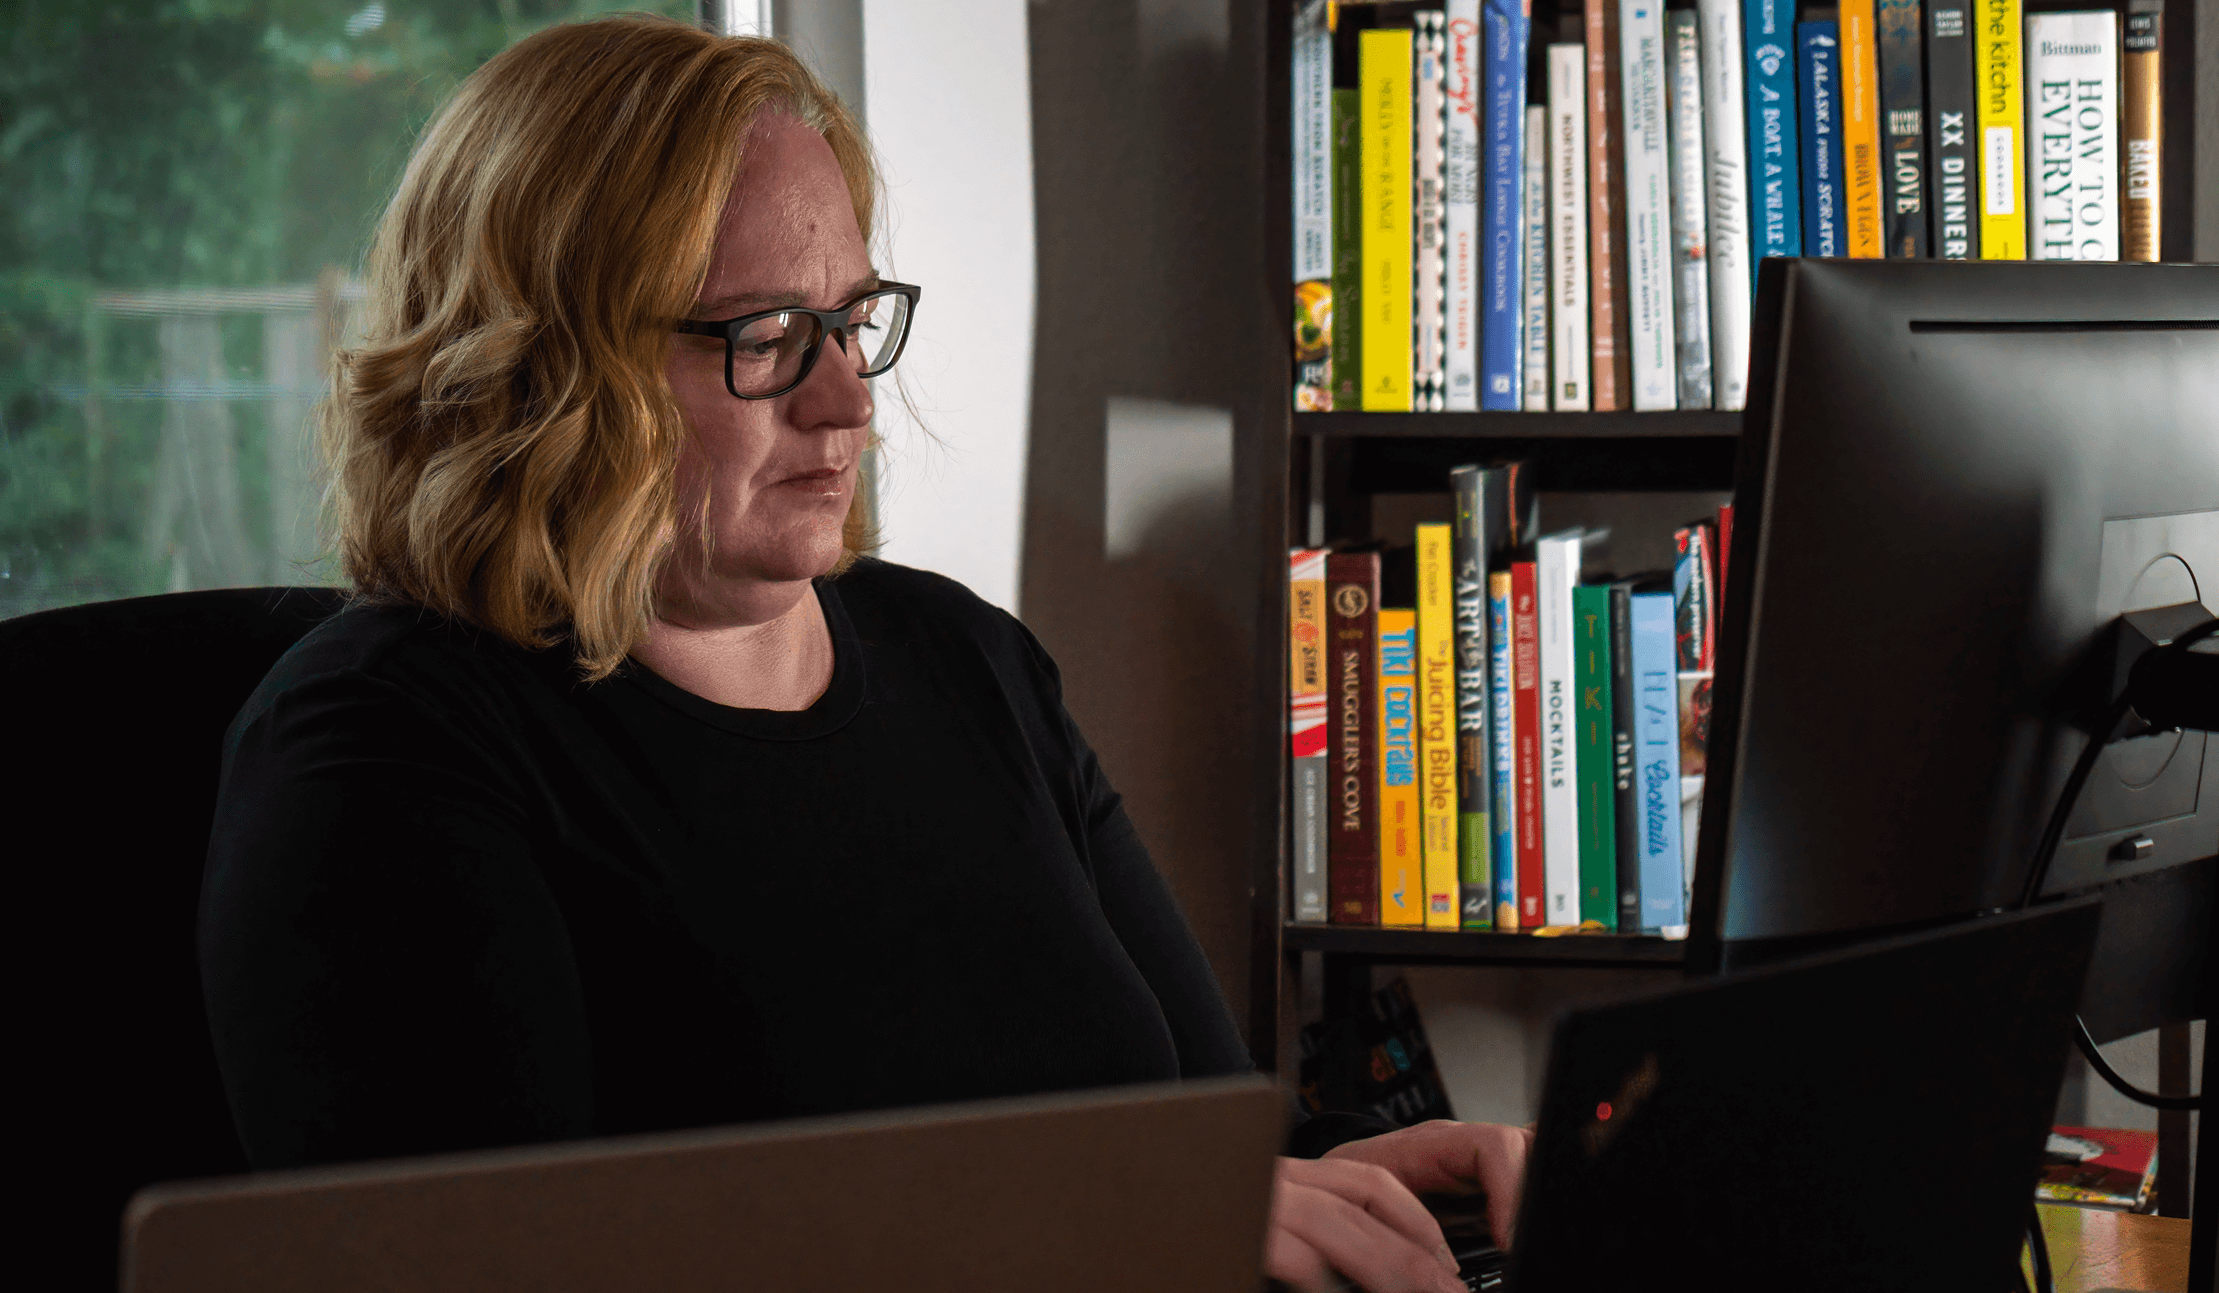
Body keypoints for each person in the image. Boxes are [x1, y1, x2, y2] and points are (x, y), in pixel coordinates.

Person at [196, 17, 1528, 1292]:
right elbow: (500, 1270)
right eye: (765, 336)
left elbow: (1193, 1139)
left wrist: (1364, 1187)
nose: (848, 402)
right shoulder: (383, 745)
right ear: (546, 368)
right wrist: (1096, 1234)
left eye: (852, 319)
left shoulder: (963, 658)